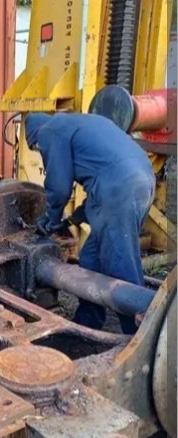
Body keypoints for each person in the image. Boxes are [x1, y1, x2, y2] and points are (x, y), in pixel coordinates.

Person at [24, 111, 156, 334]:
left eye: (37, 148)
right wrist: (75, 217)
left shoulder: (49, 131)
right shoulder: (79, 123)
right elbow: (104, 173)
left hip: (119, 189)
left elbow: (59, 186)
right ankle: (88, 320)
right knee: (91, 257)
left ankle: (139, 337)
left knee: (120, 264)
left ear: (35, 137)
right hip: (142, 181)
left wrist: (50, 219)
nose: (40, 151)